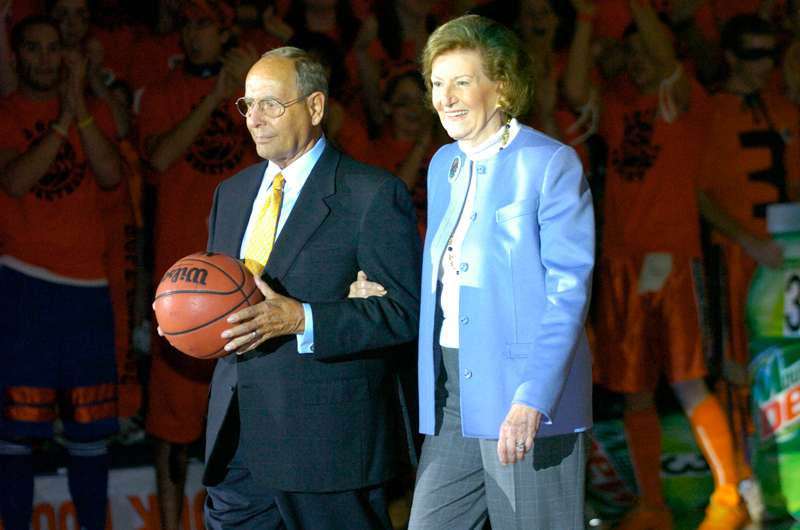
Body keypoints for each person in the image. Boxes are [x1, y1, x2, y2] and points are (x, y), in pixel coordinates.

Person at [361, 13, 594, 529]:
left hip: (526, 392)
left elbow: (568, 293)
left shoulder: (550, 163)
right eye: (437, 84)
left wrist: (534, 397)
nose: (445, 97)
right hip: (453, 394)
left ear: (503, 86)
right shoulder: (443, 163)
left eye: (462, 82)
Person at [199, 46, 422, 529]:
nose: (254, 118)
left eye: (270, 105)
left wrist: (304, 318)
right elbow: (222, 303)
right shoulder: (230, 193)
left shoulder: (372, 193)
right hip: (237, 445)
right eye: (246, 105)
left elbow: (407, 313)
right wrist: (189, 321)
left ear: (316, 107)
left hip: (327, 449)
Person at [566, 1, 752, 529]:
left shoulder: (682, 100)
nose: (639, 60)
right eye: (630, 52)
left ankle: (729, 500)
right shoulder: (620, 109)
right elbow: (576, 92)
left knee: (691, 381)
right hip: (622, 268)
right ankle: (653, 506)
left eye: (646, 50)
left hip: (674, 262)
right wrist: (584, 21)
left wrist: (639, 8)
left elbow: (669, 61)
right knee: (634, 391)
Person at [136, 1, 259, 529]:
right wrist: (214, 98)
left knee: (251, 417)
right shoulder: (161, 94)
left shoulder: (254, 98)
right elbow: (160, 158)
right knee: (173, 426)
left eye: (204, 23)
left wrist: (255, 92)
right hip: (181, 282)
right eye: (185, 23)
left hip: (246, 277)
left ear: (226, 30)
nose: (192, 34)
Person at [0, 14, 122, 530]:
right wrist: (61, 122)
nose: (45, 58)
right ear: (16, 54)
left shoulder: (92, 112)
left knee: (91, 433)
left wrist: (79, 114)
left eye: (53, 49)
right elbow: (17, 181)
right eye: (33, 48)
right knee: (16, 431)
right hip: (22, 285)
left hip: (87, 292)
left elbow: (112, 174)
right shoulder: (5, 113)